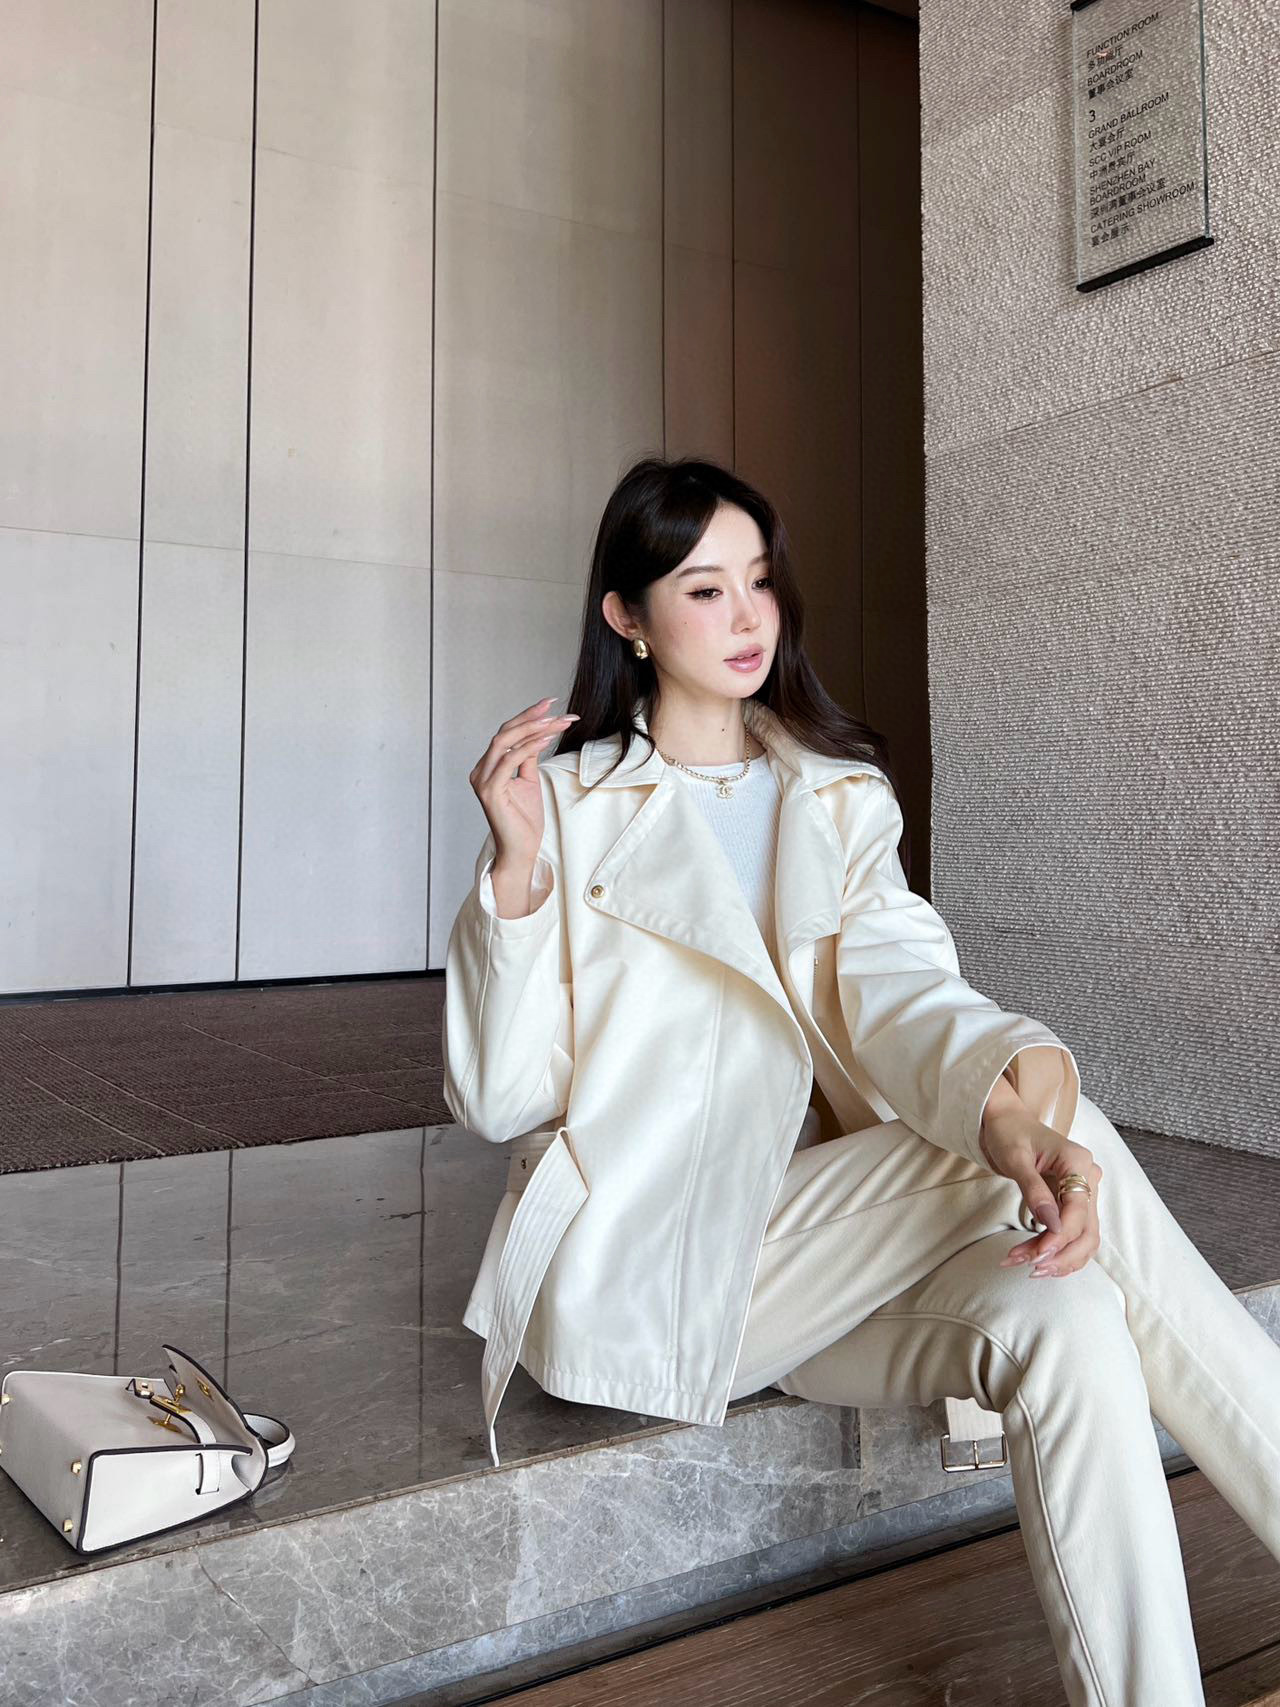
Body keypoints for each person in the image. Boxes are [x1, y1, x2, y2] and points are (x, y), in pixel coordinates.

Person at [443, 455, 1280, 1707]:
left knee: (1065, 1319)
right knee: (1076, 1138)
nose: (747, 618)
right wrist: (511, 876)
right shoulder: (564, 805)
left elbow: (902, 997)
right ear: (626, 616)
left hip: (826, 1257)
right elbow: (500, 1097)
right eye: (704, 589)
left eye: (759, 582)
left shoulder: (833, 793)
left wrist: (1002, 1115)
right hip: (656, 1257)